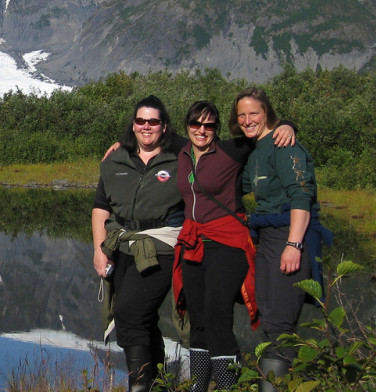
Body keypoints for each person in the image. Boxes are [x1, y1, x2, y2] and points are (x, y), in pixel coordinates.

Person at [172, 101, 296, 392]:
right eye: (195, 124)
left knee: (217, 315)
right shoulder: (182, 150)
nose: (202, 130)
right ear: (187, 125)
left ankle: (228, 386)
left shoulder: (232, 150)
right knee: (198, 318)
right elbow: (148, 131)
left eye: (209, 125)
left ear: (217, 128)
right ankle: (198, 386)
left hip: (226, 242)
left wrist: (289, 124)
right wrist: (121, 144)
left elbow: (262, 130)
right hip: (193, 243)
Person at [229, 87, 327, 392]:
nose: (247, 120)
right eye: (241, 115)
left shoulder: (285, 146)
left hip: (289, 236)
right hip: (268, 239)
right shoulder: (256, 150)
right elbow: (232, 181)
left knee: (281, 326)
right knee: (270, 320)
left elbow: (302, 196)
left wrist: (294, 245)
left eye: (253, 113)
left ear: (267, 113)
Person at [92, 95, 185, 392]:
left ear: (164, 126)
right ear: (133, 124)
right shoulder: (115, 159)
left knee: (129, 314)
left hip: (160, 246)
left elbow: (210, 139)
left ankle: (139, 386)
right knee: (141, 319)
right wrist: (98, 249)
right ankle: (159, 383)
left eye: (154, 122)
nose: (146, 127)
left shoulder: (182, 156)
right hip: (120, 247)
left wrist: (284, 126)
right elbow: (101, 206)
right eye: (141, 121)